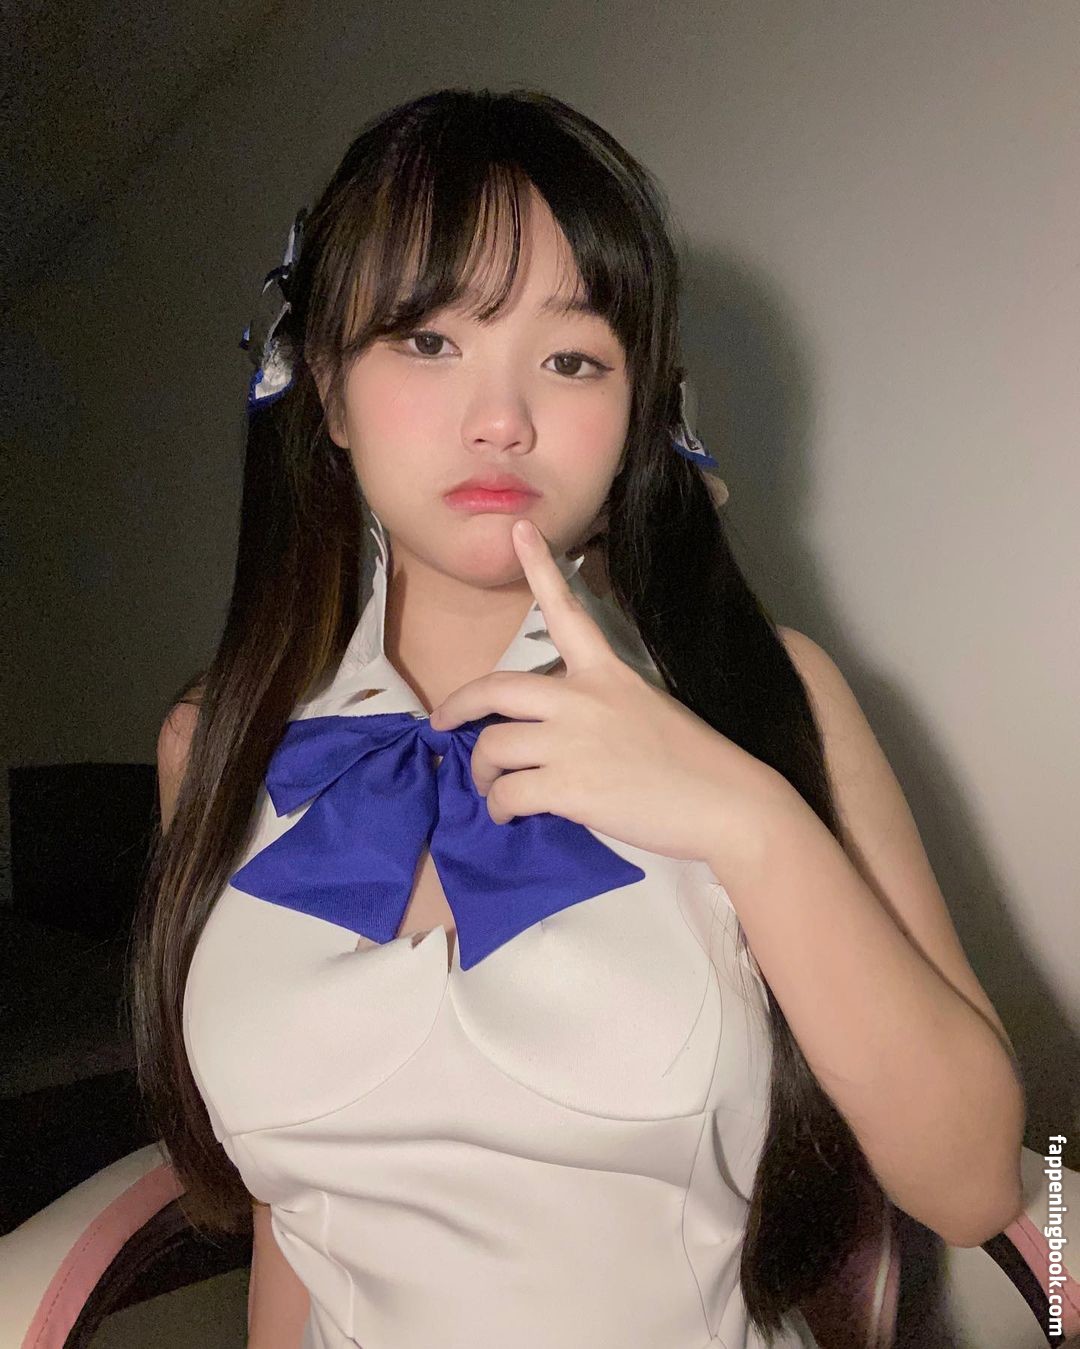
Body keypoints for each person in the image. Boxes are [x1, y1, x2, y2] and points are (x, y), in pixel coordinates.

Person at [133, 86, 1026, 1349]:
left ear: (638, 412)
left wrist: (744, 816)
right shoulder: (214, 749)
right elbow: (299, 1219)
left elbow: (979, 1181)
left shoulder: (762, 693)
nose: (503, 417)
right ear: (326, 390)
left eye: (571, 359)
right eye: (428, 340)